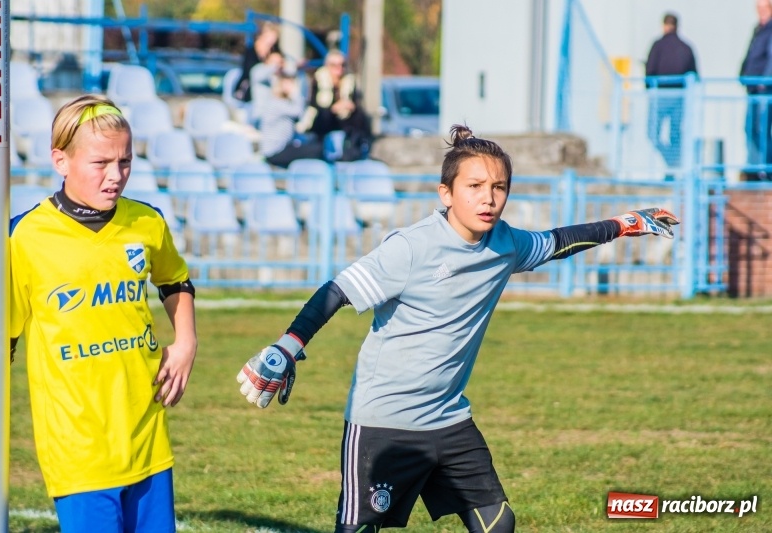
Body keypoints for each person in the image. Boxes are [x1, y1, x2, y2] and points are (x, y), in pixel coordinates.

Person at [236, 125, 680, 533]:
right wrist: (286, 347)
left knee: (498, 523)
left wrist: (625, 224)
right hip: (383, 424)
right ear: (446, 193)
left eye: (499, 187)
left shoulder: (505, 244)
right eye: (474, 187)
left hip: (449, 420)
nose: (488, 198)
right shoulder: (410, 248)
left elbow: (560, 241)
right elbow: (336, 292)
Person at [10, 94, 198, 533]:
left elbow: (174, 281)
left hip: (147, 433)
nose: (116, 176)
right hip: (77, 445)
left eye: (126, 161)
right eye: (101, 163)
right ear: (61, 161)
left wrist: (186, 341)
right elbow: (1, 340)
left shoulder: (145, 222)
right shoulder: (26, 237)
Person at [645, 12, 697, 174]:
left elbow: (650, 71)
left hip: (661, 96)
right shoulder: (686, 47)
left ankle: (672, 165)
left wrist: (649, 88)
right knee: (676, 135)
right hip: (680, 97)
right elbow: (694, 75)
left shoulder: (658, 46)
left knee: (653, 133)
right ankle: (674, 165)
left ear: (664, 25)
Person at [298, 49, 373, 161]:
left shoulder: (349, 80)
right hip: (323, 120)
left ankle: (355, 150)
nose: (339, 68)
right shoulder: (318, 79)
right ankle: (321, 148)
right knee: (324, 115)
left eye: (342, 65)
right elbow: (313, 105)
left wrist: (349, 105)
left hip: (344, 120)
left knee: (360, 117)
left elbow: (356, 102)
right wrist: (333, 108)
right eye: (334, 65)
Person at [260, 70, 325, 169]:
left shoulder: (284, 103)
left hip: (285, 146)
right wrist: (295, 92)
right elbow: (298, 111)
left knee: (314, 144)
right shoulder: (275, 103)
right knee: (316, 150)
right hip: (275, 151)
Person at [740, 0, 772, 180]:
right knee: (750, 129)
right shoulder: (758, 29)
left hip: (764, 91)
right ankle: (753, 170)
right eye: (758, 8)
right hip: (753, 89)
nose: (760, 11)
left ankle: (767, 170)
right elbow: (750, 55)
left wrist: (764, 82)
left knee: (762, 129)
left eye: (764, 8)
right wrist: (743, 73)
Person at [234, 21, 281, 108]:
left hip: (266, 95)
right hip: (249, 92)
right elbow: (250, 72)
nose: (271, 43)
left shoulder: (273, 51)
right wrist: (268, 64)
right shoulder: (251, 51)